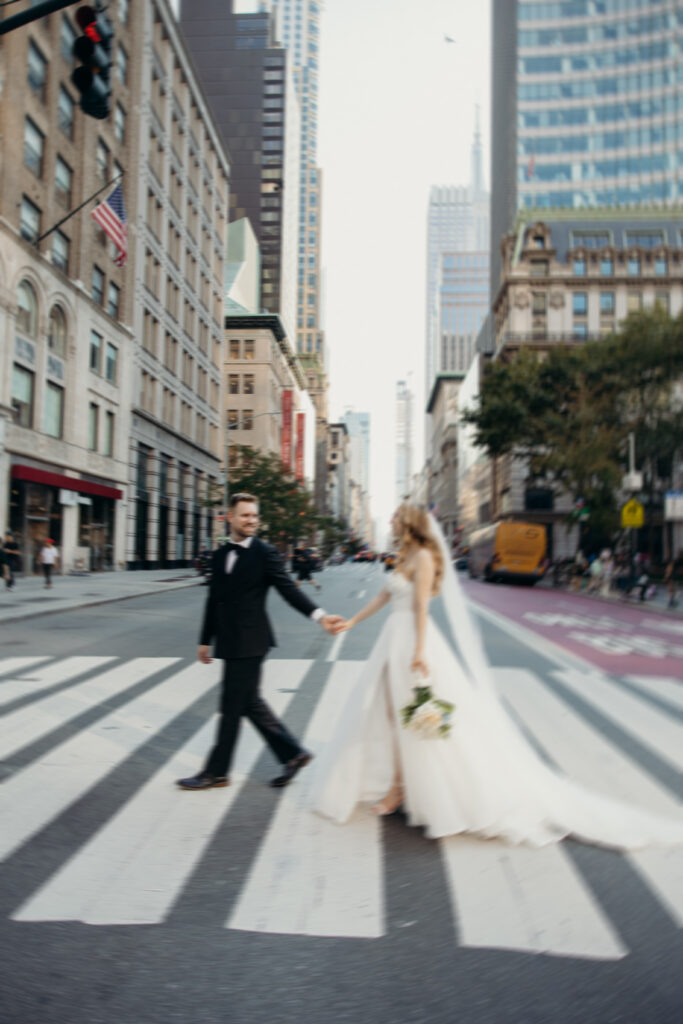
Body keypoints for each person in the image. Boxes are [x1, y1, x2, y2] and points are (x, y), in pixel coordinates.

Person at [309, 504, 683, 849]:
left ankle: (402, 788)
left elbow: (421, 606)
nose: (389, 521)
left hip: (412, 641)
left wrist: (420, 650)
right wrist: (352, 622)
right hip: (392, 639)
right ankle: (400, 785)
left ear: (408, 524)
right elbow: (384, 597)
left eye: (394, 517)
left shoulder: (423, 557)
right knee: (389, 712)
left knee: (414, 718)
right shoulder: (404, 555)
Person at [177, 493, 344, 792]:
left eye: (254, 515)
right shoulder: (218, 555)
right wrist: (205, 640)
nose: (252, 520)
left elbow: (287, 589)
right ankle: (293, 754)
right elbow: (214, 601)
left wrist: (319, 616)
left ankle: (217, 772)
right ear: (230, 517)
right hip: (229, 641)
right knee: (249, 703)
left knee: (231, 706)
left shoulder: (265, 553)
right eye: (245, 515)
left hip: (252, 641)